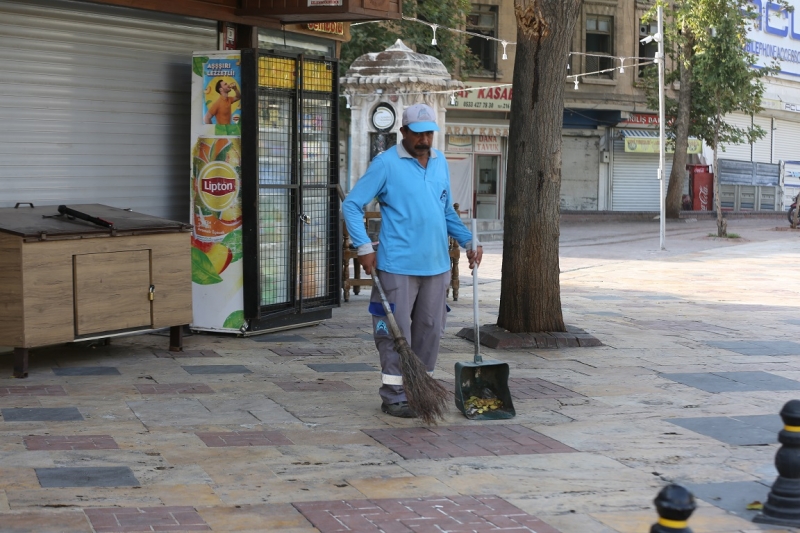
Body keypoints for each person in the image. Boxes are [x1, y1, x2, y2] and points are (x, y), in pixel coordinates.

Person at [342, 103, 482, 418]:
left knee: (431, 329)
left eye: (429, 134)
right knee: (394, 330)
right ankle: (393, 394)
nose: (424, 141)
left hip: (436, 265)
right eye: (417, 134)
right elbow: (351, 205)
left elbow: (445, 211)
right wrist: (364, 247)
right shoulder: (385, 164)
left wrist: (468, 241)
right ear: (403, 132)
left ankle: (420, 386)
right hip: (397, 266)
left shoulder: (440, 161)